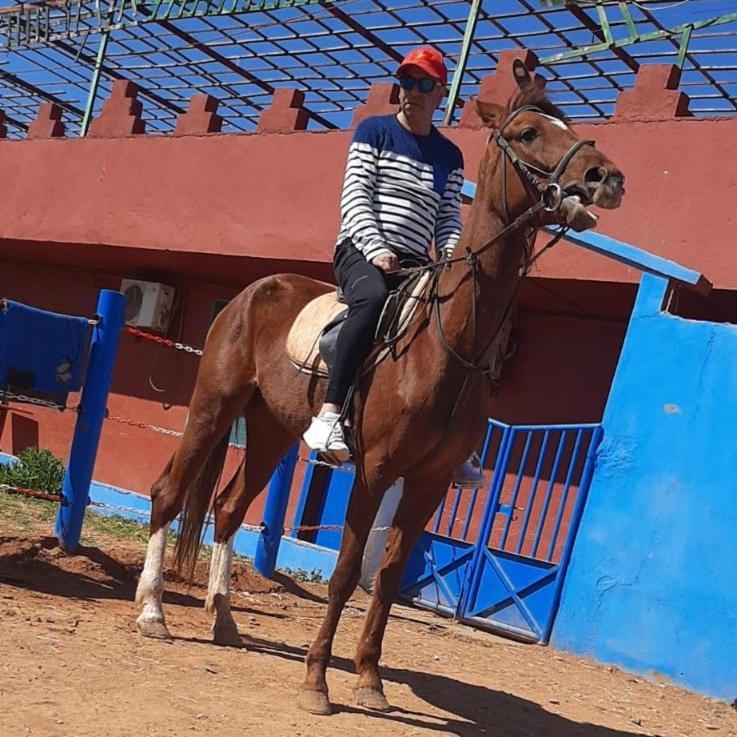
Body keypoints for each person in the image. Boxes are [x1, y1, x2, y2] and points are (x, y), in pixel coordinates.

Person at [302, 46, 484, 488]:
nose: (412, 92)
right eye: (406, 82)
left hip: (415, 264)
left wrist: (451, 258)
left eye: (424, 85)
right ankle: (329, 413)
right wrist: (375, 246)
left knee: (452, 325)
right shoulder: (374, 132)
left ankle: (452, 442)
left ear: (441, 93)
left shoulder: (449, 157)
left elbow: (446, 218)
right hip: (361, 251)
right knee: (372, 299)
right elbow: (356, 196)